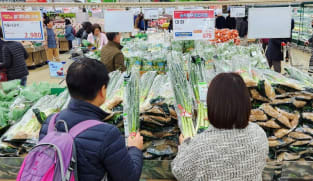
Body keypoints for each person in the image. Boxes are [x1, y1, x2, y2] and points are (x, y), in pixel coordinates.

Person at [39, 58, 143, 181]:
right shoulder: (107, 134)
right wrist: (135, 149)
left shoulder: (50, 123)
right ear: (102, 91)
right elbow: (129, 178)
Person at [172, 72, 268, 181]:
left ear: (212, 104)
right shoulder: (259, 134)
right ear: (246, 102)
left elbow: (179, 172)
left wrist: (184, 145)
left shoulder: (199, 145)